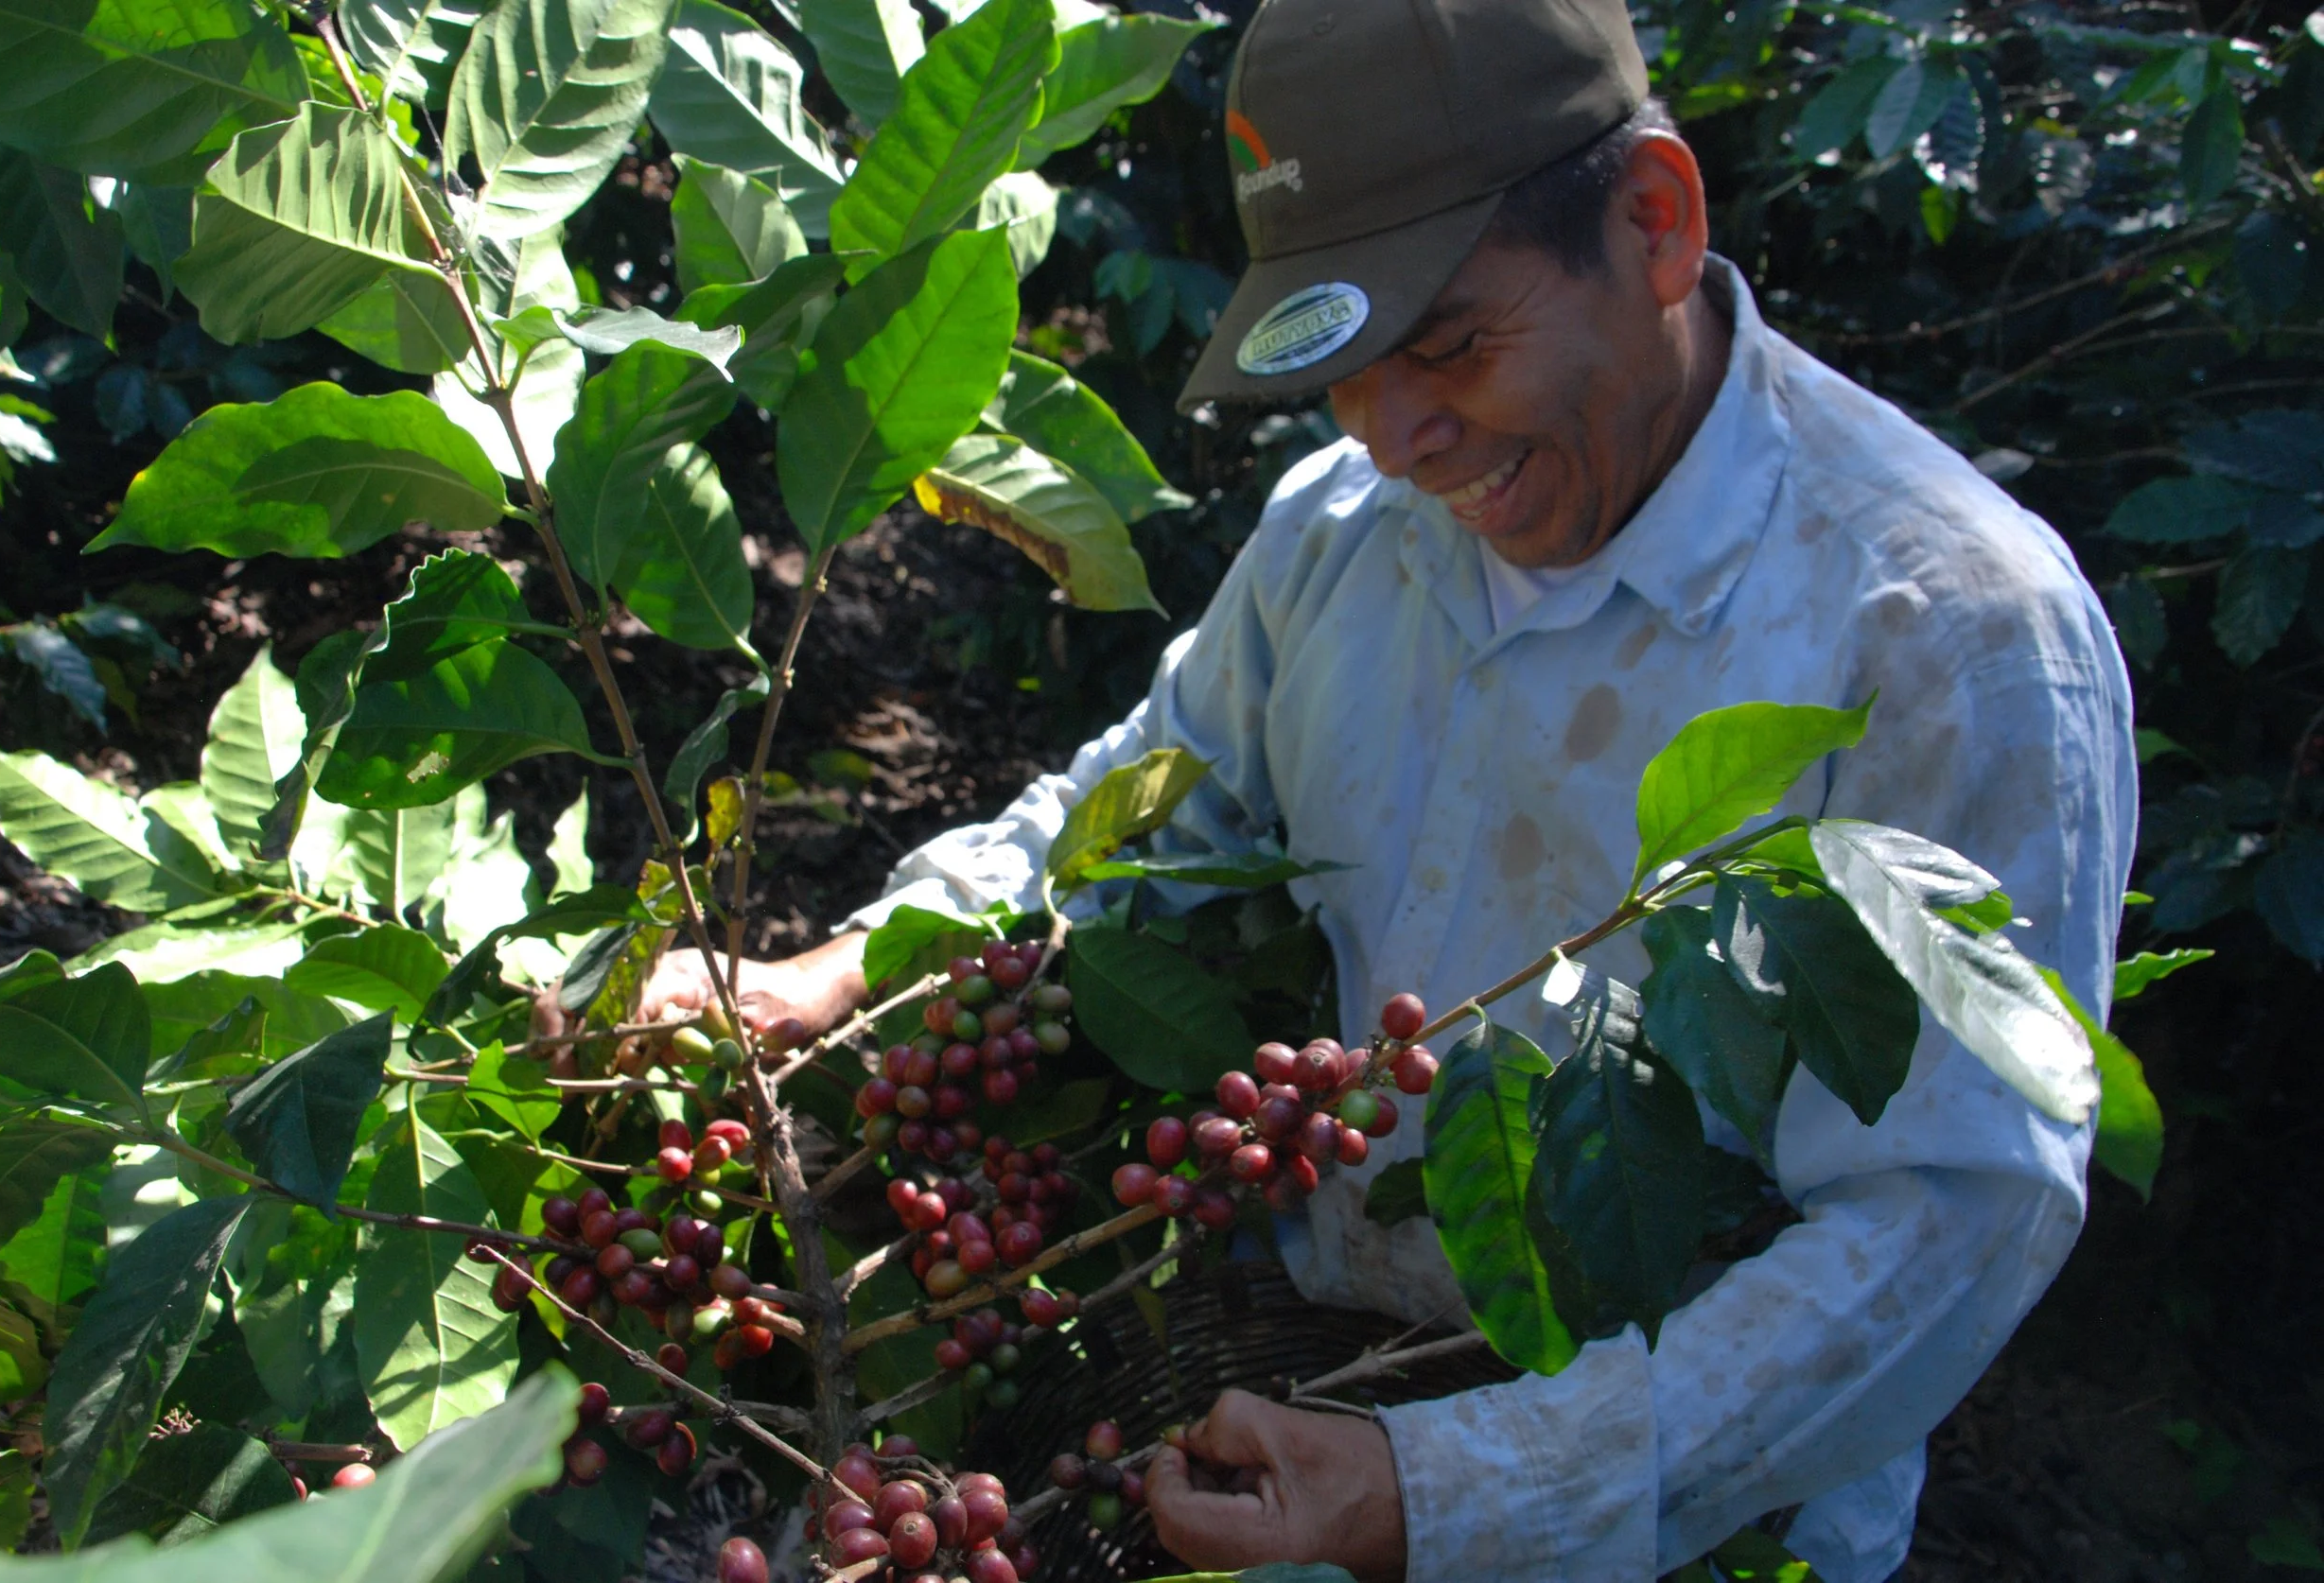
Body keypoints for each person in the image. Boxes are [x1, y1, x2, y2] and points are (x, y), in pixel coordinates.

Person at [637, 0, 2137, 1576]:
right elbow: (1142, 812)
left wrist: (1462, 1487)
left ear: (1657, 224)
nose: (1400, 435)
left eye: (1450, 344)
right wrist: (842, 974)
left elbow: (1945, 1224)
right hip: (1295, 1358)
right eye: (1343, 364)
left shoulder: (1946, 639)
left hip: (1687, 1511)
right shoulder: (1344, 532)